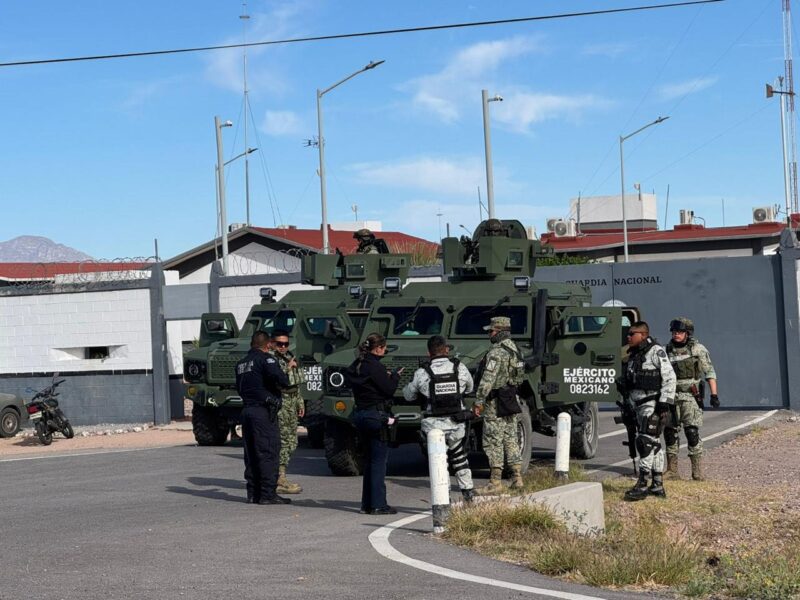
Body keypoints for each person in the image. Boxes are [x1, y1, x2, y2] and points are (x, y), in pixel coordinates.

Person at [403, 335, 476, 503]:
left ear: (429, 353)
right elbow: (470, 388)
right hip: (456, 424)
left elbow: (408, 396)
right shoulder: (460, 368)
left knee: (439, 461)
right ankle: (468, 494)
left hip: (432, 427)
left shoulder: (422, 372)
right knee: (459, 457)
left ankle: (444, 497)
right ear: (446, 350)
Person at [345, 333, 403, 515]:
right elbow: (389, 389)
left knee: (369, 461)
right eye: (384, 348)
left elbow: (350, 377)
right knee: (378, 462)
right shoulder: (375, 367)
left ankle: (367, 504)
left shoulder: (358, 365)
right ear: (378, 348)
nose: (384, 351)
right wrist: (395, 376)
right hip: (376, 416)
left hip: (361, 415)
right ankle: (378, 504)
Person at [620, 321, 676, 501]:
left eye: (632, 334)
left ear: (643, 335)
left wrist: (664, 402)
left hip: (652, 404)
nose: (628, 336)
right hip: (637, 405)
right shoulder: (633, 354)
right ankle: (657, 484)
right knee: (654, 443)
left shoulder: (656, 351)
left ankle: (643, 483)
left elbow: (670, 377)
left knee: (645, 442)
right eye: (628, 334)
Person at [235, 331, 292, 505]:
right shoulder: (266, 359)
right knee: (268, 451)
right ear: (268, 345)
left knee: (251, 452)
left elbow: (239, 387)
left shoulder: (241, 363)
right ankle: (267, 494)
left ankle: (253, 493)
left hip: (247, 410)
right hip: (263, 412)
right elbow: (282, 380)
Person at [473, 316, 526, 495]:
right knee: (511, 438)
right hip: (510, 398)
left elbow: (487, 379)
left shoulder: (496, 352)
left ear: (500, 331)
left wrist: (479, 401)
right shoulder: (515, 349)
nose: (489, 334)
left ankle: (495, 482)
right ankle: (517, 478)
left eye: (491, 331)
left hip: (495, 402)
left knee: (493, 440)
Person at [665, 317, 719, 481]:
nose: (676, 334)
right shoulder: (666, 350)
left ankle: (697, 472)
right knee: (670, 432)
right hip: (671, 396)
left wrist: (714, 395)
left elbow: (709, 372)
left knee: (692, 432)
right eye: (674, 332)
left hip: (690, 395)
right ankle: (672, 471)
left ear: (687, 333)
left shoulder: (697, 349)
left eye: (680, 332)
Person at [271, 329, 306, 494]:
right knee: (284, 441)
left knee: (292, 441)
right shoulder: (271, 360)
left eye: (286, 344)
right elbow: (274, 379)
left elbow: (295, 383)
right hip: (282, 403)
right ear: (272, 343)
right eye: (280, 344)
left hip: (292, 402)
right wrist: (287, 368)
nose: (283, 347)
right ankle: (279, 478)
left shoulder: (288, 357)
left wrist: (300, 402)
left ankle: (280, 476)